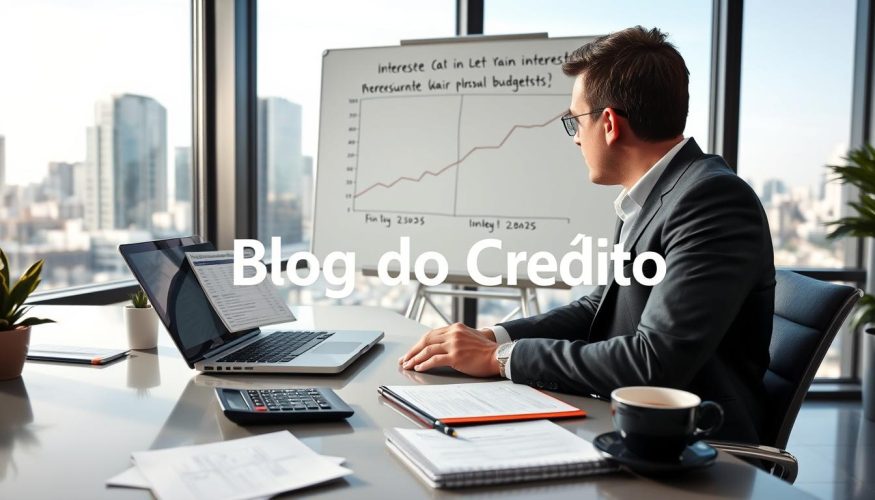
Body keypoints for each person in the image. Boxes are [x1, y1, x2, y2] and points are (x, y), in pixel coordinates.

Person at [399, 26, 775, 444]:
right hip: (626, 420)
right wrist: (494, 337)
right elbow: (601, 308)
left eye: (575, 121)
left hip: (692, 444)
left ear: (609, 123)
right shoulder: (654, 194)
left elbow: (653, 362)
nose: (576, 138)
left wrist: (499, 358)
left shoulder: (710, 200)